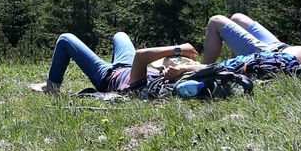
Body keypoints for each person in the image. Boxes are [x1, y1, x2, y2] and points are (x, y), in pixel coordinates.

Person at [28, 32, 201, 95]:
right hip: (128, 66)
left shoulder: (143, 88)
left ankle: (51, 86)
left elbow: (141, 56)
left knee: (65, 39)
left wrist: (179, 49)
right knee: (120, 35)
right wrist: (182, 68)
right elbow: (207, 67)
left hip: (108, 76)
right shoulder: (171, 80)